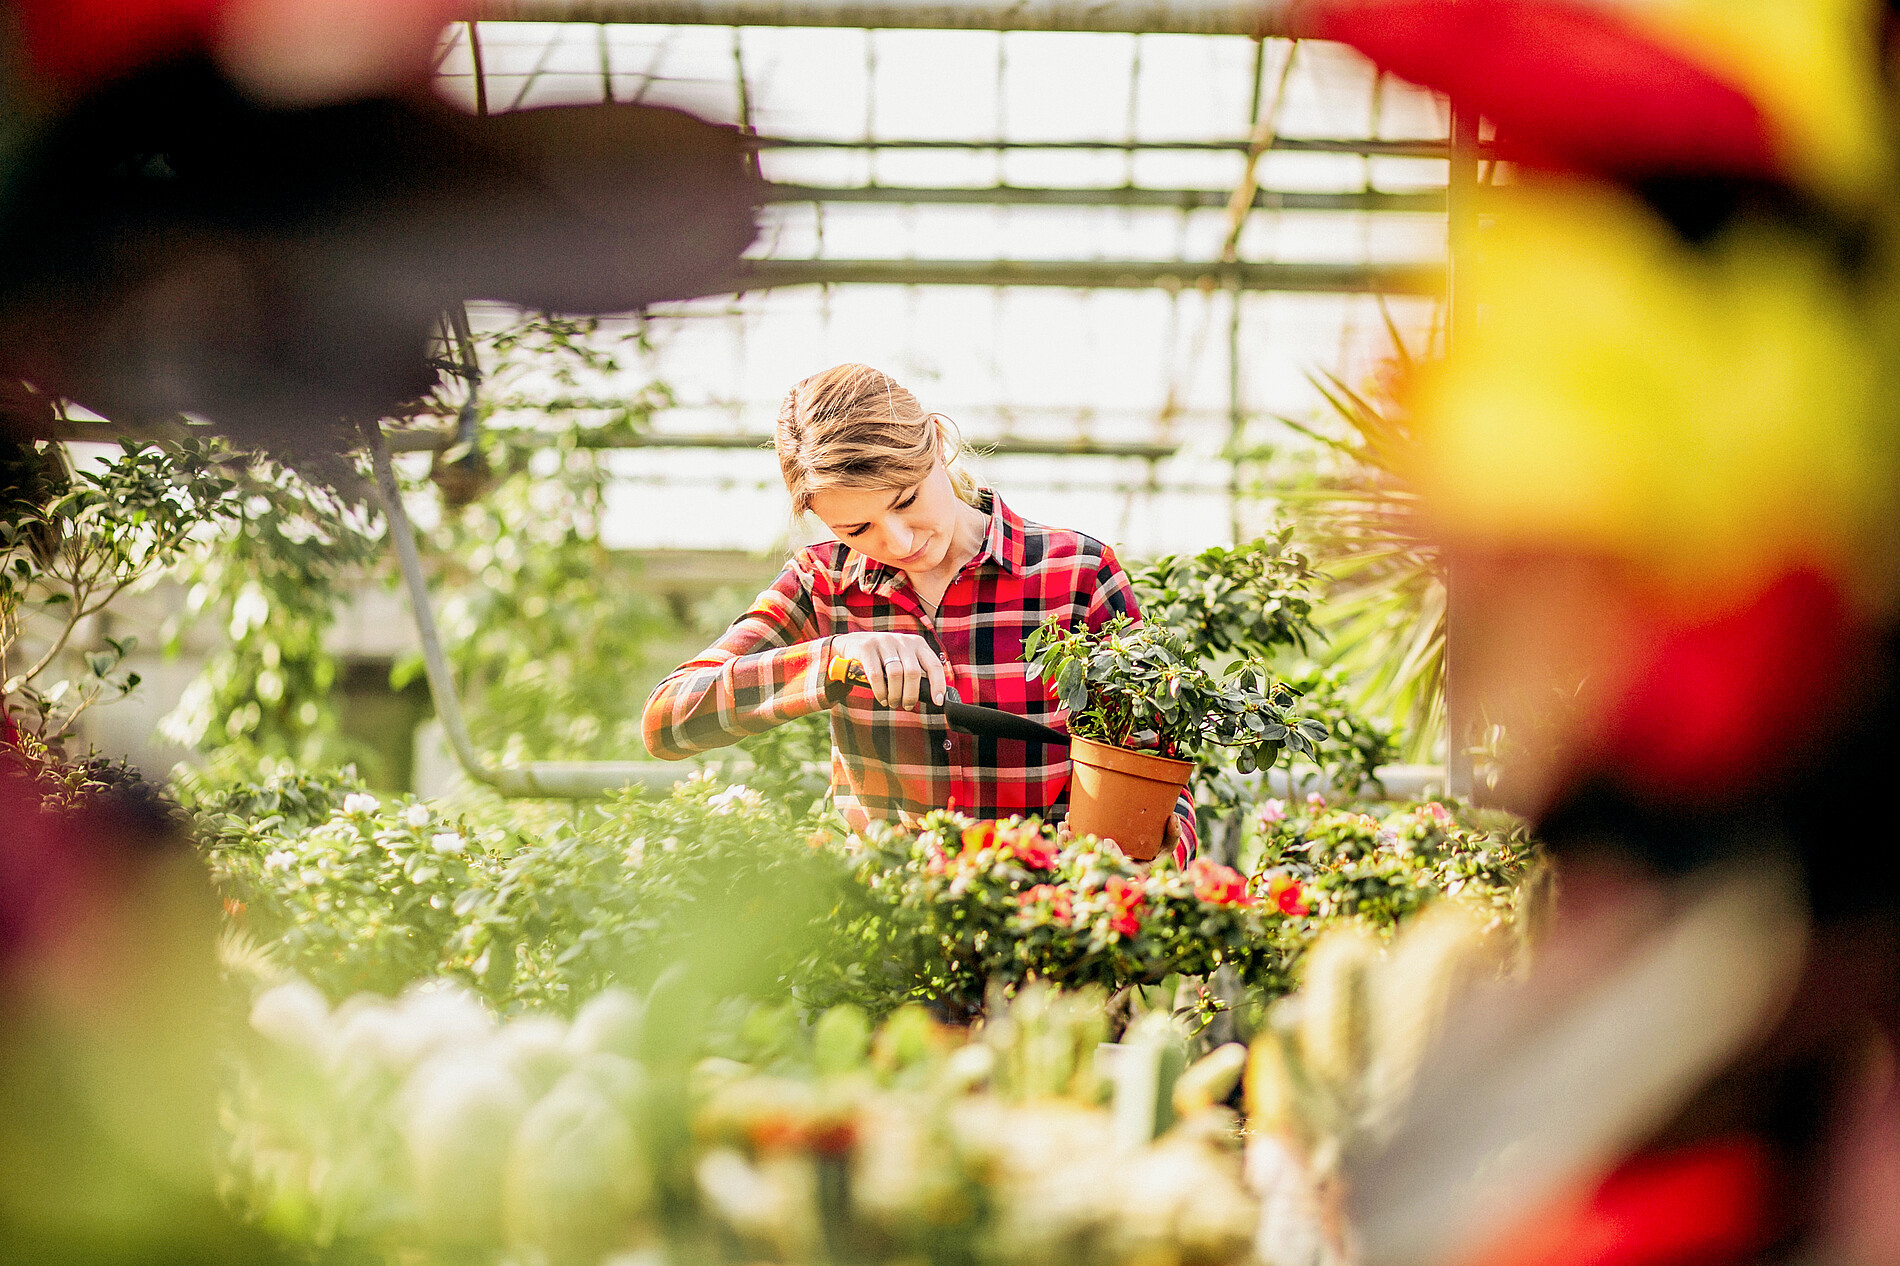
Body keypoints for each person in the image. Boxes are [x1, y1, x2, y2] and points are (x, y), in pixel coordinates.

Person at [642, 363, 1197, 862]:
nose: (900, 540)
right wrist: (831, 662)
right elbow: (668, 722)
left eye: (905, 500)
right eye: (857, 529)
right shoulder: (822, 584)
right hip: (891, 933)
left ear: (935, 443)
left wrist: (1148, 864)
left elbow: (1160, 766)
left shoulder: (1074, 572)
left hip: (1050, 927)